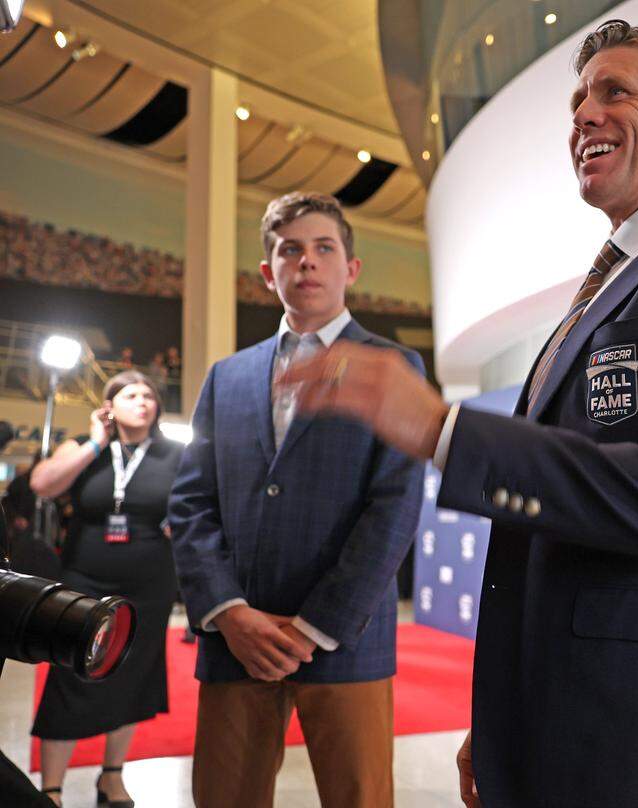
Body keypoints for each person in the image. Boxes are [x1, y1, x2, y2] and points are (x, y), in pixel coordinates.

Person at [280, 19, 638, 808]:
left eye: (614, 92)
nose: (583, 116)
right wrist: (503, 717)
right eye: (578, 100)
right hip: (559, 720)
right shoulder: (601, 290)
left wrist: (443, 432)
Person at [167, 192, 425, 808]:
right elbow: (190, 502)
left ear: (350, 269)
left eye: (323, 248)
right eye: (290, 250)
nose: (306, 262)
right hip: (238, 638)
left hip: (345, 636)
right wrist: (228, 611)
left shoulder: (393, 366)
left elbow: (394, 508)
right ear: (268, 271)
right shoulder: (225, 377)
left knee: (359, 797)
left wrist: (316, 626)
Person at [28, 371, 182, 807]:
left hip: (149, 582)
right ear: (109, 405)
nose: (143, 401)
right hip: (83, 579)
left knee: (132, 675)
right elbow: (43, 485)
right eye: (130, 394)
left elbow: (196, 507)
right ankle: (52, 788)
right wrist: (96, 441)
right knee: (71, 672)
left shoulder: (175, 454)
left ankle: (112, 777)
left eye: (149, 394)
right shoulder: (83, 446)